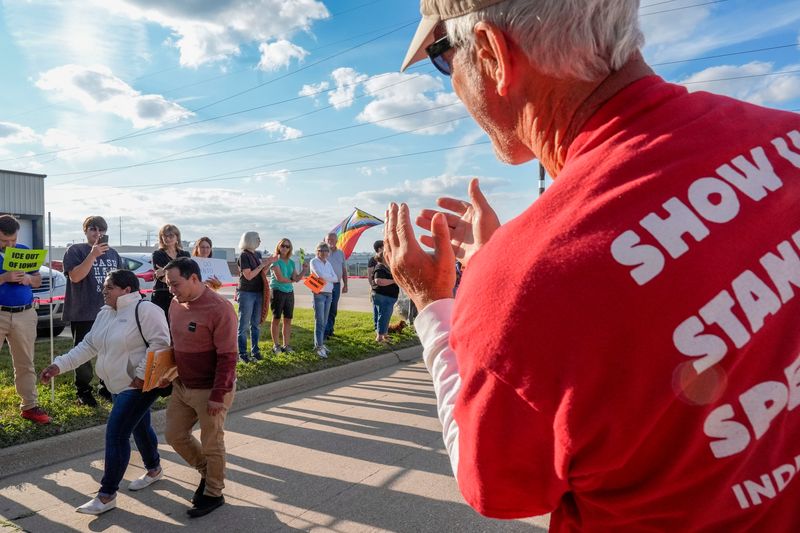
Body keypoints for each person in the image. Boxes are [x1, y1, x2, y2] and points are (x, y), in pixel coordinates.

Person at [388, 0, 800, 530]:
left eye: (444, 57)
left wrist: (434, 305)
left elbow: (494, 487)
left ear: (492, 53)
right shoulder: (788, 137)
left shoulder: (527, 283)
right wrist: (511, 264)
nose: (451, 83)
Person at [40, 270, 170, 515]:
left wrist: (140, 377)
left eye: (109, 287)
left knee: (117, 434)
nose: (104, 291)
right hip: (115, 385)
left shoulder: (146, 311)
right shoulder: (105, 314)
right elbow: (88, 345)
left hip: (139, 386)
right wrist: (59, 365)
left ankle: (107, 495)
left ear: (126, 290)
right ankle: (154, 469)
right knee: (140, 426)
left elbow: (161, 344)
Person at [162, 257, 238, 518]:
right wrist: (165, 374)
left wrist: (218, 395)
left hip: (211, 389)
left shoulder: (220, 308)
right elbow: (177, 345)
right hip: (182, 385)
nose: (171, 289)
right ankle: (208, 473)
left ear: (194, 278)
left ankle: (214, 493)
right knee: (174, 434)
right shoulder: (175, 304)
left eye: (175, 283)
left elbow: (229, 356)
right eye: (168, 284)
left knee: (212, 443)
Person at [63, 215, 121, 406]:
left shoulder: (113, 254)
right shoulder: (76, 250)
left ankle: (106, 386)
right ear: (85, 231)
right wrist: (93, 255)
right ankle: (83, 390)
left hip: (109, 311)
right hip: (83, 311)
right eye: (93, 230)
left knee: (110, 350)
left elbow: (120, 281)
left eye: (101, 230)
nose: (98, 234)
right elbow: (76, 277)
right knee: (83, 352)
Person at [0, 214, 50, 425]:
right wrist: (4, 278)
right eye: (4, 241)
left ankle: (29, 406)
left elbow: (38, 280)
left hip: (25, 313)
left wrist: (30, 279)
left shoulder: (25, 250)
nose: (10, 245)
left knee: (25, 362)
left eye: (13, 240)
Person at [236, 231, 274, 362]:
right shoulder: (243, 255)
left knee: (256, 324)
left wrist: (269, 263)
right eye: (258, 239)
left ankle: (255, 350)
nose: (260, 241)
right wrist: (263, 264)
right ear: (250, 240)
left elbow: (261, 272)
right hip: (247, 292)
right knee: (244, 324)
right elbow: (249, 275)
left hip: (258, 292)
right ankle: (242, 353)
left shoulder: (257, 254)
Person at [268, 238, 307, 354]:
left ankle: (286, 345)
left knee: (288, 319)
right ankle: (276, 345)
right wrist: (293, 280)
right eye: (283, 246)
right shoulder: (275, 261)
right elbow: (280, 278)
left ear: (290, 249)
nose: (285, 248)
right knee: (276, 319)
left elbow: (296, 278)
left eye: (287, 246)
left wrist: (304, 271)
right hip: (277, 292)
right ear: (279, 247)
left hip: (289, 293)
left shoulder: (291, 262)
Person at [152, 224, 190, 318]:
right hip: (162, 295)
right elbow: (161, 277)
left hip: (182, 295)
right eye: (165, 236)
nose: (168, 239)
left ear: (177, 237)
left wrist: (165, 272)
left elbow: (188, 275)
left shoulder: (185, 255)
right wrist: (179, 277)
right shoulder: (158, 254)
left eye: (171, 236)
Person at [309, 242, 337, 358]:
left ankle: (320, 344)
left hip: (329, 294)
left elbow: (335, 278)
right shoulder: (314, 261)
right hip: (319, 293)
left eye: (326, 251)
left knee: (324, 321)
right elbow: (319, 275)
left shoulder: (328, 263)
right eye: (321, 250)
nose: (324, 253)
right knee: (319, 321)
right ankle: (318, 346)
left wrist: (328, 278)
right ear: (317, 251)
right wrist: (328, 278)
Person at [323, 232, 348, 340]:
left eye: (333, 240)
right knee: (325, 308)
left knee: (333, 308)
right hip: (325, 285)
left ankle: (330, 330)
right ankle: (324, 331)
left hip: (336, 285)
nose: (330, 242)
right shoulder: (322, 253)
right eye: (328, 240)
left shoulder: (340, 253)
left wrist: (345, 284)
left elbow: (344, 270)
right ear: (325, 241)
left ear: (337, 241)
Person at [370, 251, 398, 343]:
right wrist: (394, 281)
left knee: (384, 315)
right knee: (384, 316)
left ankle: (384, 334)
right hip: (383, 296)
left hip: (386, 296)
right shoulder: (380, 267)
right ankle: (380, 336)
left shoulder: (386, 267)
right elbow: (379, 281)